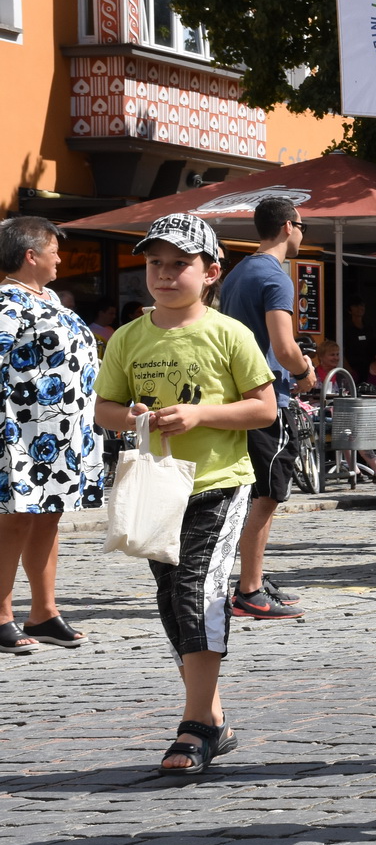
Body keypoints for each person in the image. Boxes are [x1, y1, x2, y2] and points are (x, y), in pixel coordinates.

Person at [93, 214, 277, 773]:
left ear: (211, 272)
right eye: (156, 264)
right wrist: (133, 417)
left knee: (198, 592)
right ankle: (213, 715)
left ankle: (194, 725)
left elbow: (264, 408)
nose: (165, 274)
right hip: (156, 488)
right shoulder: (129, 337)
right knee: (173, 599)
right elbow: (104, 409)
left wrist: (200, 414)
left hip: (218, 484)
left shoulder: (230, 333)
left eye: (180, 264)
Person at [0, 217, 104, 654]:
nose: (60, 259)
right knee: (16, 519)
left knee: (49, 515)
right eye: (54, 251)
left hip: (61, 431)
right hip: (23, 431)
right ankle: (0, 615)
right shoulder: (7, 301)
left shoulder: (49, 299)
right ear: (31, 255)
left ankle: (43, 612)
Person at [213, 196, 314, 621]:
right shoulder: (275, 275)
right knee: (268, 494)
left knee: (255, 493)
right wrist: (305, 370)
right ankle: (249, 590)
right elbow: (284, 346)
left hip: (239, 394)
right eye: (303, 226)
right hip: (269, 397)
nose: (303, 233)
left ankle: (251, 579)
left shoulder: (238, 272)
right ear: (288, 226)